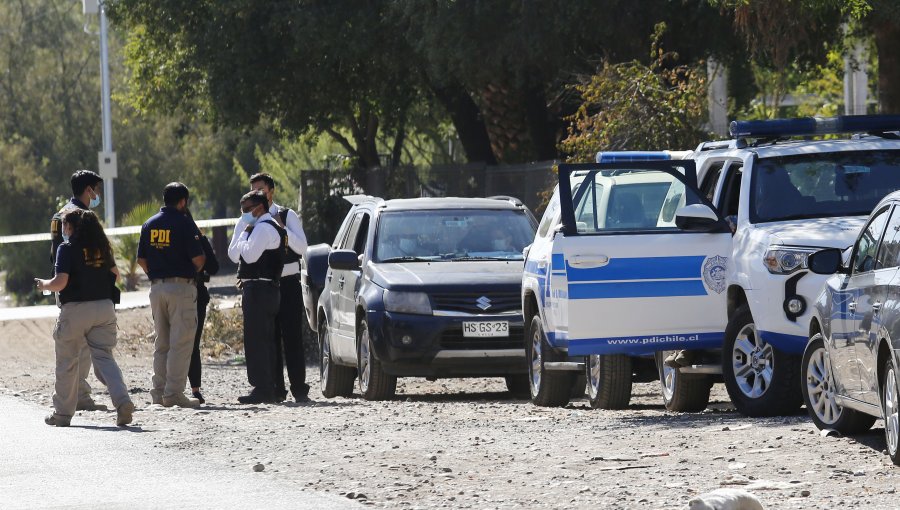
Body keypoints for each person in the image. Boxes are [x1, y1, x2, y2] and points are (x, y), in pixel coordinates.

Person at [36, 209, 134, 427]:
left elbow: (60, 282)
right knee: (105, 358)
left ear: (71, 227)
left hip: (76, 311)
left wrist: (44, 284)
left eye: (64, 226)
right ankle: (123, 402)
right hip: (105, 308)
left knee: (67, 361)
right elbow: (116, 275)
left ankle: (62, 414)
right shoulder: (101, 248)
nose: (63, 231)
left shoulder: (67, 248)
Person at [231, 173, 310, 403]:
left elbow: (303, 247)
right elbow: (238, 251)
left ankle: (299, 388)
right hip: (264, 284)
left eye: (261, 190)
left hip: (287, 281)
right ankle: (275, 388)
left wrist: (282, 229)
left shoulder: (286, 215)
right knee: (269, 337)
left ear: (271, 191)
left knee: (292, 336)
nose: (257, 194)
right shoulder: (247, 220)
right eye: (253, 190)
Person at [137, 183, 206, 408]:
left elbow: (141, 260)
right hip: (181, 288)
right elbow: (199, 260)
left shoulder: (149, 224)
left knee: (162, 342)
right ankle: (174, 393)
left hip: (157, 289)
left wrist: (157, 275)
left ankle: (158, 392)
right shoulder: (185, 223)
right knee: (181, 342)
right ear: (183, 202)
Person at [48, 170, 105, 411]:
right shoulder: (83, 216)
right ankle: (80, 395)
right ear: (88, 190)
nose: (97, 195)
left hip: (64, 283)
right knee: (84, 344)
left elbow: (56, 251)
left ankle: (73, 395)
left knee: (69, 343)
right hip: (84, 286)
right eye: (96, 190)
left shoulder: (58, 215)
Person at [228, 190, 287, 404]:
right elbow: (233, 254)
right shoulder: (258, 228)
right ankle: (269, 387)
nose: (243, 215)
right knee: (263, 339)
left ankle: (264, 388)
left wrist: (244, 234)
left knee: (258, 341)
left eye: (246, 210)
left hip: (261, 290)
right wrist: (244, 236)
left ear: (259, 208)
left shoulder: (262, 228)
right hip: (260, 290)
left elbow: (249, 257)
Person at [186, 209, 219, 405]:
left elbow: (214, 267)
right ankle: (193, 389)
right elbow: (213, 267)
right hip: (193, 291)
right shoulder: (195, 235)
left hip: (192, 292)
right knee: (192, 344)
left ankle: (189, 389)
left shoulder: (195, 235)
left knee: (176, 342)